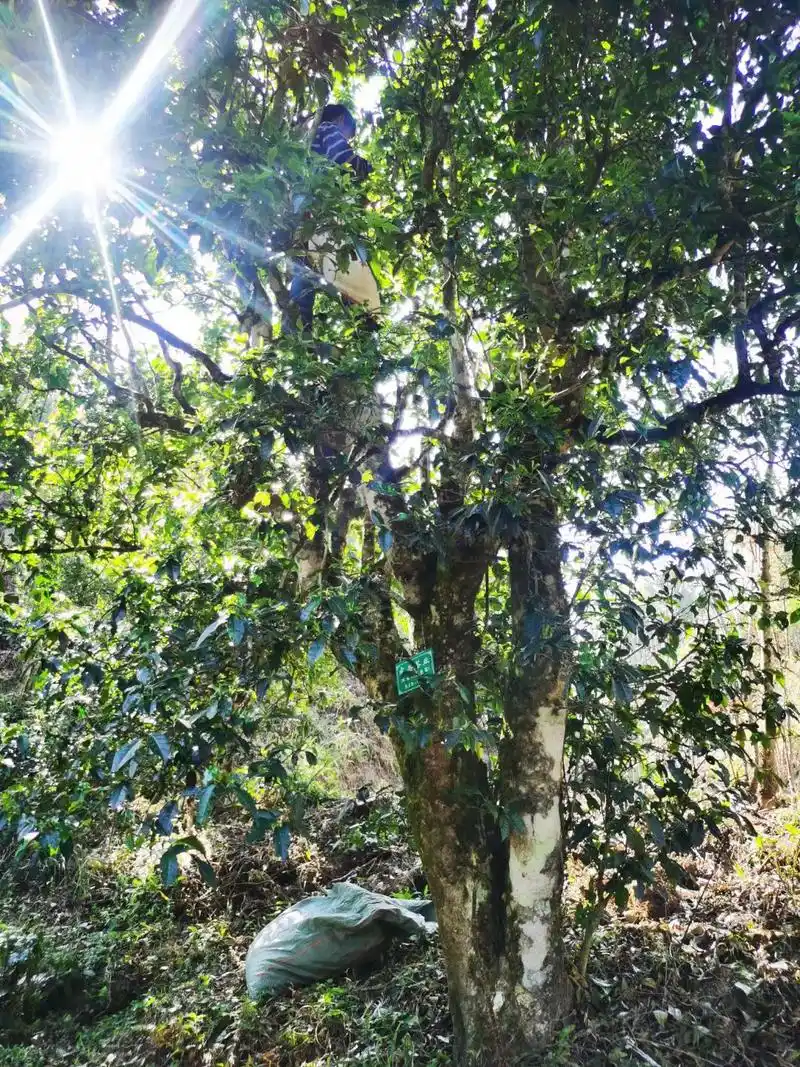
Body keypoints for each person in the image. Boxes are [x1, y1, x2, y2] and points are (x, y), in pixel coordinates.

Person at [288, 104, 380, 332]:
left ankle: (300, 337)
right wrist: (365, 167)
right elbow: (344, 159)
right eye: (348, 134)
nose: (347, 139)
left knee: (306, 275)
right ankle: (365, 325)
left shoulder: (309, 145)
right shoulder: (328, 129)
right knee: (351, 268)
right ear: (341, 120)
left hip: (306, 220)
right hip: (324, 213)